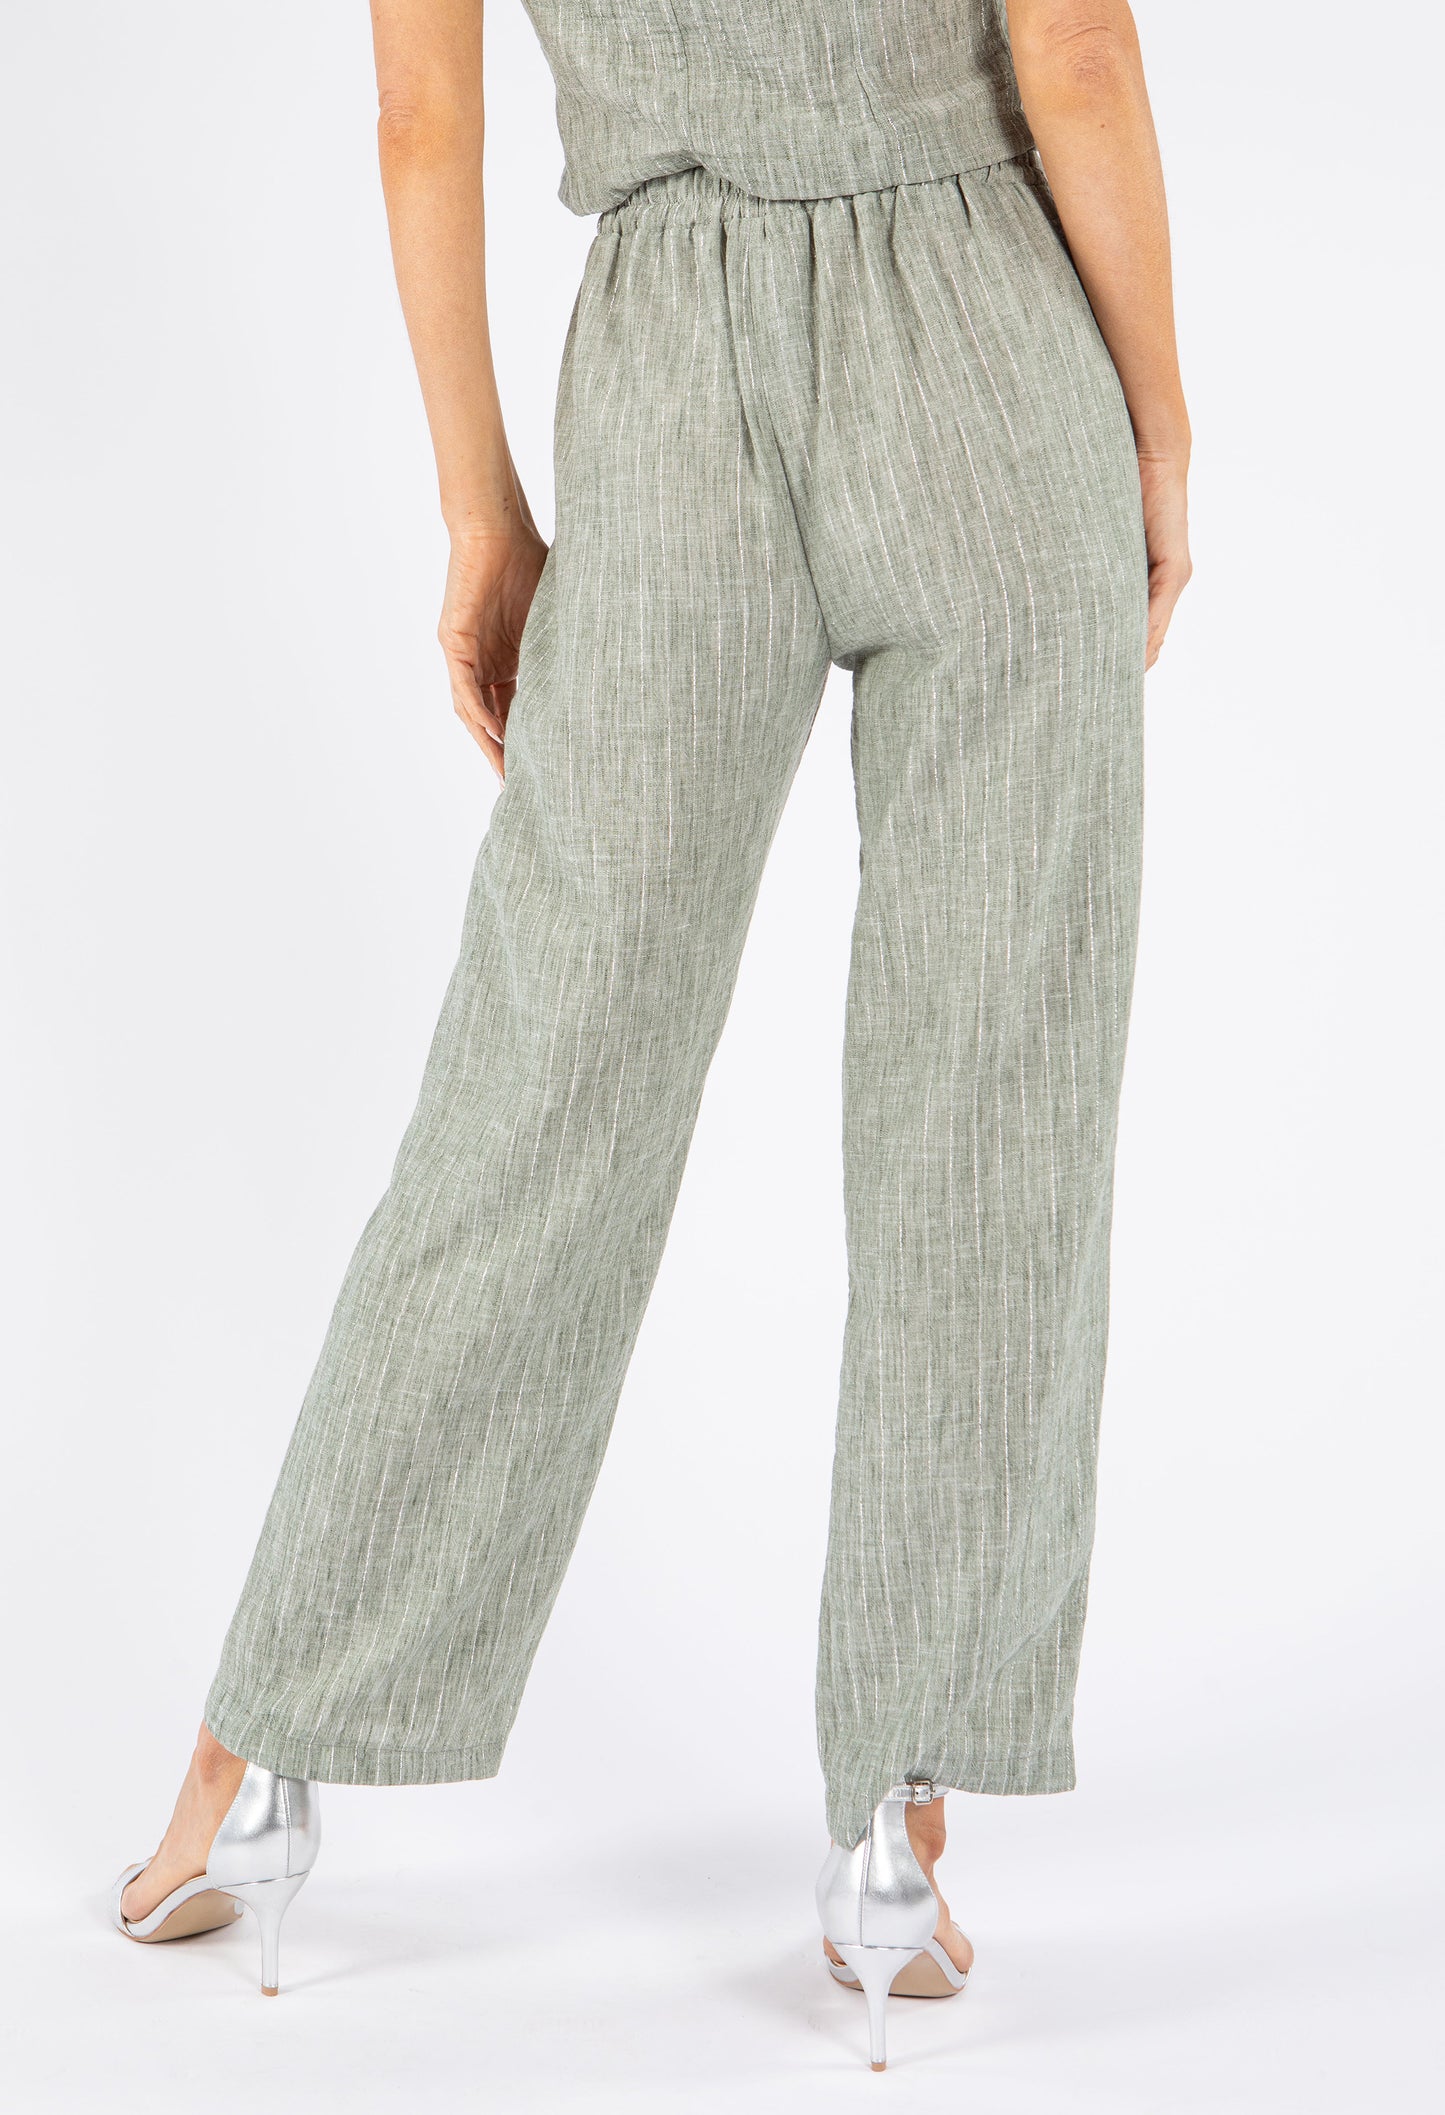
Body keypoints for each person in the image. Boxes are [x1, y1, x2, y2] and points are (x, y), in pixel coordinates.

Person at [111, 0, 1190, 2068]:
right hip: (997, 343)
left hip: (671, 367)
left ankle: (261, 1764)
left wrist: (482, 510)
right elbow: (1072, 57)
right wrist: (1157, 432)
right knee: (992, 1088)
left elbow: (418, 111)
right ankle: (895, 1827)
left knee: (545, 1067)